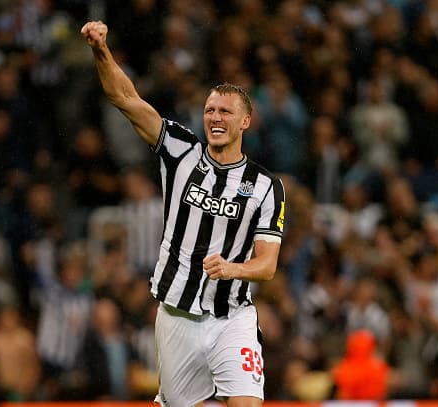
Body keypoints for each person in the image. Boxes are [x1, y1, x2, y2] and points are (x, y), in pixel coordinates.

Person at [81, 20, 286, 407]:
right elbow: (125, 99)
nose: (215, 117)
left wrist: (232, 268)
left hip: (232, 317)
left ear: (245, 121)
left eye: (225, 111)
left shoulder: (265, 186)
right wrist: (100, 50)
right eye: (210, 110)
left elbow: (267, 265)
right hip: (176, 315)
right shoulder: (179, 151)